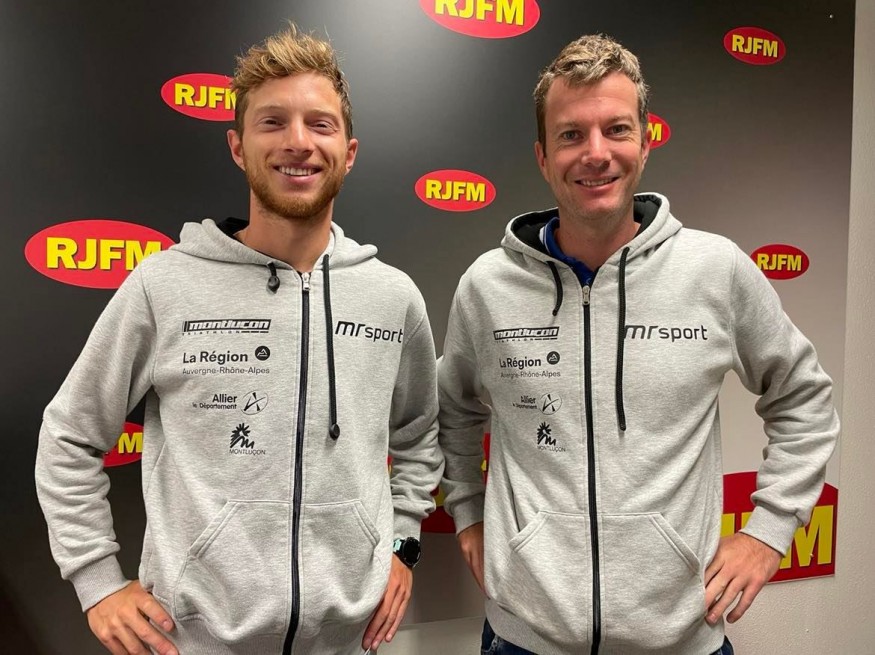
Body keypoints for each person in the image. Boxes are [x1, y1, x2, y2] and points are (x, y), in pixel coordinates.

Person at [35, 24, 443, 655]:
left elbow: (418, 436)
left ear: (349, 151)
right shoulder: (164, 287)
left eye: (320, 124)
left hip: (347, 642)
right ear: (237, 146)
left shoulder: (393, 297)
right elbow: (69, 435)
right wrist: (97, 582)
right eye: (272, 122)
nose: (298, 142)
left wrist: (402, 543)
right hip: (191, 641)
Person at [437, 33, 839, 655]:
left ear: (645, 143)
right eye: (571, 135)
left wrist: (768, 531)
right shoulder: (488, 286)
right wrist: (468, 512)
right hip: (525, 639)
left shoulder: (716, 271)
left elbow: (804, 399)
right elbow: (453, 409)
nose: (596, 153)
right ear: (543, 157)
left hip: (681, 639)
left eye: (616, 130)